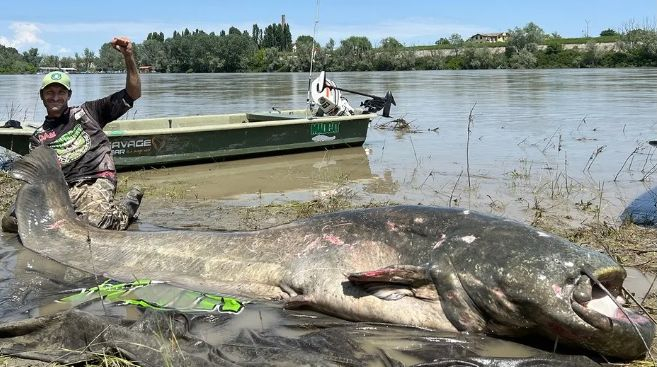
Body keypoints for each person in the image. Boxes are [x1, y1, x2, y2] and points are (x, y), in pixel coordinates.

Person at [2, 36, 143, 233]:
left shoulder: (89, 112)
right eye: (50, 92)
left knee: (95, 223)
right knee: (12, 223)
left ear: (69, 95)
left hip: (95, 179)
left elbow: (133, 93)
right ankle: (76, 216)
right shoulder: (38, 138)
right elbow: (41, 177)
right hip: (62, 188)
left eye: (61, 92)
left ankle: (126, 209)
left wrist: (128, 57)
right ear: (42, 96)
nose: (55, 97)